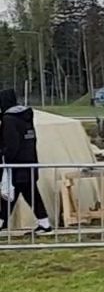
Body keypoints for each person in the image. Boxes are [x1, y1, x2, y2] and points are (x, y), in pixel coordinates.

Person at [0, 88, 53, 233]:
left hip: (16, 165)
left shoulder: (8, 119)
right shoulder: (25, 117)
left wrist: (4, 157)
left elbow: (12, 144)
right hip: (29, 162)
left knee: (14, 194)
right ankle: (44, 223)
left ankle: (44, 224)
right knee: (16, 194)